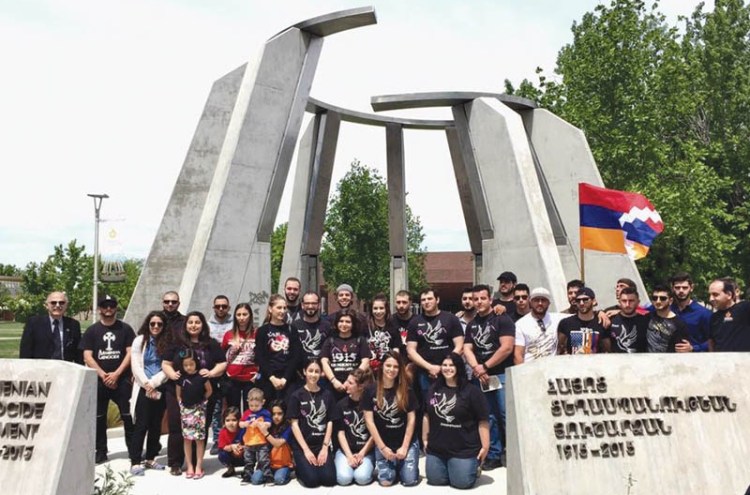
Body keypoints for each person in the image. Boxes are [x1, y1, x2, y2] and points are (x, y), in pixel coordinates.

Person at [162, 311, 227, 476]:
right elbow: (166, 363)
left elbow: (222, 363)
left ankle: (197, 464)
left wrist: (211, 373)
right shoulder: (177, 343)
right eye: (190, 322)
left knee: (201, 430)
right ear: (185, 325)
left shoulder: (210, 344)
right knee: (177, 426)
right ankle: (176, 463)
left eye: (197, 322)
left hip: (204, 393)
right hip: (178, 391)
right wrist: (172, 374)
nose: (193, 325)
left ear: (203, 325)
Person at [463, 284, 514, 471]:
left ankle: (512, 452)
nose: (478, 302)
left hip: (501, 374)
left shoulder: (502, 320)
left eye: (482, 298)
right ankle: (493, 453)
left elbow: (507, 347)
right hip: (482, 378)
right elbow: (467, 348)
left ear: (490, 300)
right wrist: (477, 367)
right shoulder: (472, 324)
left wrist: (485, 366)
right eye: (475, 299)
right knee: (488, 416)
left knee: (505, 415)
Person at [80, 294, 136, 464]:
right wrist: (103, 374)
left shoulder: (125, 329)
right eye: (105, 306)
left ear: (116, 308)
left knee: (128, 416)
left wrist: (117, 374)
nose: (108, 309)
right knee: (99, 417)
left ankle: (133, 450)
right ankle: (101, 451)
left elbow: (130, 352)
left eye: (111, 306)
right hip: (100, 381)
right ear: (100, 309)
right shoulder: (92, 330)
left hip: (122, 380)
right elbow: (87, 356)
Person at [423, 353, 489, 489]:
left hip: (463, 449)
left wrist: (485, 446)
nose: (448, 368)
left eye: (451, 365)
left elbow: (483, 420)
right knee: (435, 480)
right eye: (445, 365)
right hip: (437, 448)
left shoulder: (471, 391)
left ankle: (472, 467)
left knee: (461, 483)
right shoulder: (433, 389)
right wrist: (425, 439)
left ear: (458, 367)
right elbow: (426, 415)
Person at [362, 351, 419, 487]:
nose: (391, 370)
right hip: (384, 443)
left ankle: (403, 465)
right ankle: (395, 465)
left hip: (405, 442)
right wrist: (382, 448)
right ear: (381, 367)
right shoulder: (370, 390)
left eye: (395, 367)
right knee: (386, 482)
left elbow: (411, 420)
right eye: (388, 366)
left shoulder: (407, 390)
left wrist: (405, 447)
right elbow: (369, 422)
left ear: (400, 369)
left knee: (409, 480)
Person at [129, 311, 170, 476]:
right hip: (143, 386)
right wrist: (146, 383)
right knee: (141, 425)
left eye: (159, 324)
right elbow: (135, 365)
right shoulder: (139, 341)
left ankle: (151, 458)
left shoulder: (168, 343)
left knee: (155, 425)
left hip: (160, 386)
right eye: (153, 323)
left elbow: (168, 366)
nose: (156, 327)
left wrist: (154, 383)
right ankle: (135, 461)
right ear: (148, 324)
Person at [406, 288, 464, 401]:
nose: (426, 302)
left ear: (437, 300)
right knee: (428, 406)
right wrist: (430, 367)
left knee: (453, 403)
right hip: (425, 373)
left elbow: (460, 345)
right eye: (423, 300)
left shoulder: (451, 319)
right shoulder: (415, 322)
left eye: (429, 299)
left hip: (451, 372)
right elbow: (411, 350)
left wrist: (445, 367)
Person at [288, 358, 337, 488]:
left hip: (321, 445)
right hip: (303, 446)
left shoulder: (327, 394)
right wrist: (306, 450)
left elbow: (330, 422)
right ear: (304, 372)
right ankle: (300, 468)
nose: (313, 374)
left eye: (317, 371)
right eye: (310, 371)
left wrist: (325, 447)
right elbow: (294, 424)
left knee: (329, 480)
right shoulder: (296, 396)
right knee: (312, 481)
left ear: (321, 373)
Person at [332, 368, 375, 486]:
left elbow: (374, 434)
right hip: (346, 450)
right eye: (346, 381)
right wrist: (349, 456)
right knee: (344, 479)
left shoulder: (371, 404)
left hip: (366, 451)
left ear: (360, 386)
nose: (345, 384)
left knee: (362, 478)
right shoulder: (341, 405)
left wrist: (362, 453)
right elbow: (340, 433)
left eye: (350, 383)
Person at [255, 294, 302, 402]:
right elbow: (260, 356)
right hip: (268, 379)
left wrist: (285, 378)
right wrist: (272, 378)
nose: (282, 311)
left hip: (288, 379)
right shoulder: (262, 331)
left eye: (284, 308)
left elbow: (296, 356)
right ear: (270, 309)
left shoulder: (291, 330)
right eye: (279, 308)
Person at [176, 349, 213, 479]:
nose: (189, 367)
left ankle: (198, 466)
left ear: (196, 363)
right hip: (186, 410)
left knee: (199, 439)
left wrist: (203, 402)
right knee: (187, 439)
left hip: (199, 410)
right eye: (186, 365)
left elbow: (209, 390)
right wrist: (181, 405)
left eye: (191, 364)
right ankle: (190, 466)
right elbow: (178, 394)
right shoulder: (181, 378)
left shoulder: (202, 377)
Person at [19, 290, 82, 363]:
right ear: (46, 305)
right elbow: (25, 351)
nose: (58, 305)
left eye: (61, 302)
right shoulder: (34, 323)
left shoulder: (73, 324)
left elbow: (78, 353)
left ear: (66, 305)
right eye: (53, 302)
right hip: (41, 369)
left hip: (65, 370)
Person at [322, 308, 371, 401]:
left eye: (348, 322)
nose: (344, 324)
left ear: (353, 324)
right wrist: (334, 381)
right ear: (336, 323)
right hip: (333, 386)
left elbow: (365, 362)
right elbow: (324, 362)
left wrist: (351, 381)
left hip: (355, 387)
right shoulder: (330, 340)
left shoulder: (360, 340)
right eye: (341, 321)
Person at [514, 287, 570, 364]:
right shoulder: (520, 324)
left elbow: (580, 316)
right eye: (536, 300)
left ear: (549, 303)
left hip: (552, 369)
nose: (540, 303)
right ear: (530, 302)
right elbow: (518, 355)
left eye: (543, 300)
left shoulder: (558, 318)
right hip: (530, 369)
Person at [222, 303, 259, 411]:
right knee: (233, 410)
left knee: (251, 410)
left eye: (244, 314)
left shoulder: (257, 333)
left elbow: (262, 355)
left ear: (250, 316)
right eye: (238, 315)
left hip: (250, 378)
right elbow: (221, 355)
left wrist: (258, 374)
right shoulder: (229, 334)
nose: (241, 318)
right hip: (232, 378)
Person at [208, 294, 232, 455]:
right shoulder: (208, 325)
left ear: (228, 307)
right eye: (218, 306)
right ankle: (217, 439)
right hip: (215, 371)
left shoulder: (235, 324)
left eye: (224, 306)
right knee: (216, 408)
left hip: (232, 371)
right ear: (214, 308)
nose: (221, 309)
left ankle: (232, 437)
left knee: (232, 408)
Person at [557, 287, 611, 355]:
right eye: (578, 300)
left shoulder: (601, 323)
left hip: (595, 364)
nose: (581, 303)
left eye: (585, 299)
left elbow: (607, 351)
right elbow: (560, 349)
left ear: (594, 301)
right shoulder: (565, 323)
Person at [252, 399, 294, 485]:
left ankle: (287, 472)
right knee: (255, 480)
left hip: (282, 464)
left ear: (284, 414)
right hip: (266, 464)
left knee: (279, 480)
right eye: (273, 414)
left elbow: (277, 444)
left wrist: (265, 433)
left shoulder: (288, 427)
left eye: (279, 414)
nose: (276, 417)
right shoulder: (267, 425)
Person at [669, 272, 712, 352]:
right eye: (677, 287)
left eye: (684, 287)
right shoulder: (666, 311)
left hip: (694, 360)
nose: (681, 291)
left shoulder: (703, 313)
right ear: (672, 288)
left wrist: (693, 348)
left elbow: (712, 340)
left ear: (691, 288)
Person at [239, 388, 272, 484]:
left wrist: (263, 424)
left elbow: (269, 423)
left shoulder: (264, 412)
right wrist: (245, 423)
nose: (253, 408)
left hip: (261, 442)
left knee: (264, 460)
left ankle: (268, 476)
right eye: (251, 405)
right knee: (248, 461)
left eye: (257, 405)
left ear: (263, 402)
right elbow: (240, 424)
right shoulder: (247, 413)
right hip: (249, 442)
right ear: (247, 402)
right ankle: (247, 476)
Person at [708, 278, 750, 352]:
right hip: (721, 361)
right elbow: (711, 342)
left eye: (715, 295)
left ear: (729, 295)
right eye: (710, 295)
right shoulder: (714, 317)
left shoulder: (745, 309)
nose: (711, 299)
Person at [293, 291, 332, 369]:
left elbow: (331, 351)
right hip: (299, 374)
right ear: (302, 305)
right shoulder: (294, 326)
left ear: (319, 305)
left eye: (314, 303)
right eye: (307, 303)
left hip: (322, 374)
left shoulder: (327, 326)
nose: (310, 306)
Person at [365, 293, 403, 373]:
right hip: (369, 370)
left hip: (387, 368)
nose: (378, 311)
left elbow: (396, 349)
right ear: (371, 310)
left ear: (386, 309)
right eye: (375, 308)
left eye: (381, 308)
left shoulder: (393, 327)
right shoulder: (365, 326)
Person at [647, 285, 690, 353]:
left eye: (662, 298)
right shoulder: (646, 317)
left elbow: (682, 350)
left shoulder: (679, 323)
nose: (658, 301)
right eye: (655, 298)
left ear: (670, 301)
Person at [609, 287, 649, 353]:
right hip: (616, 362)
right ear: (619, 302)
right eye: (624, 301)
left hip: (640, 362)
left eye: (631, 301)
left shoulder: (646, 321)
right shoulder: (610, 320)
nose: (627, 304)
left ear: (638, 302)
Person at [217, 406, 245, 478]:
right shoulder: (223, 432)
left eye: (234, 420)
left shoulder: (243, 430)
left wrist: (241, 448)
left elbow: (250, 445)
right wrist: (232, 447)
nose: (231, 423)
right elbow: (223, 447)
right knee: (221, 454)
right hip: (231, 456)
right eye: (227, 420)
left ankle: (248, 469)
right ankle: (230, 468)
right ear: (224, 421)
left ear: (239, 420)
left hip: (243, 455)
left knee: (251, 452)